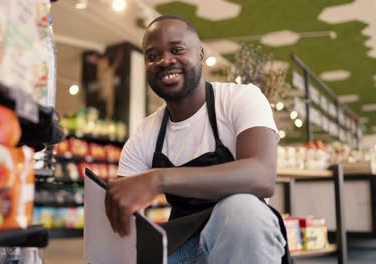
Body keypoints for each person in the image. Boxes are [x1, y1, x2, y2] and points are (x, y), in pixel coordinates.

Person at [104, 15, 289, 264]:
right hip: (180, 251)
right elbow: (122, 215)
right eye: (152, 56)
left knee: (243, 209)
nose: (165, 60)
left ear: (201, 55)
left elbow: (261, 175)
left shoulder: (240, 99)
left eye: (177, 49)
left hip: (239, 244)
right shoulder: (145, 134)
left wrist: (158, 179)